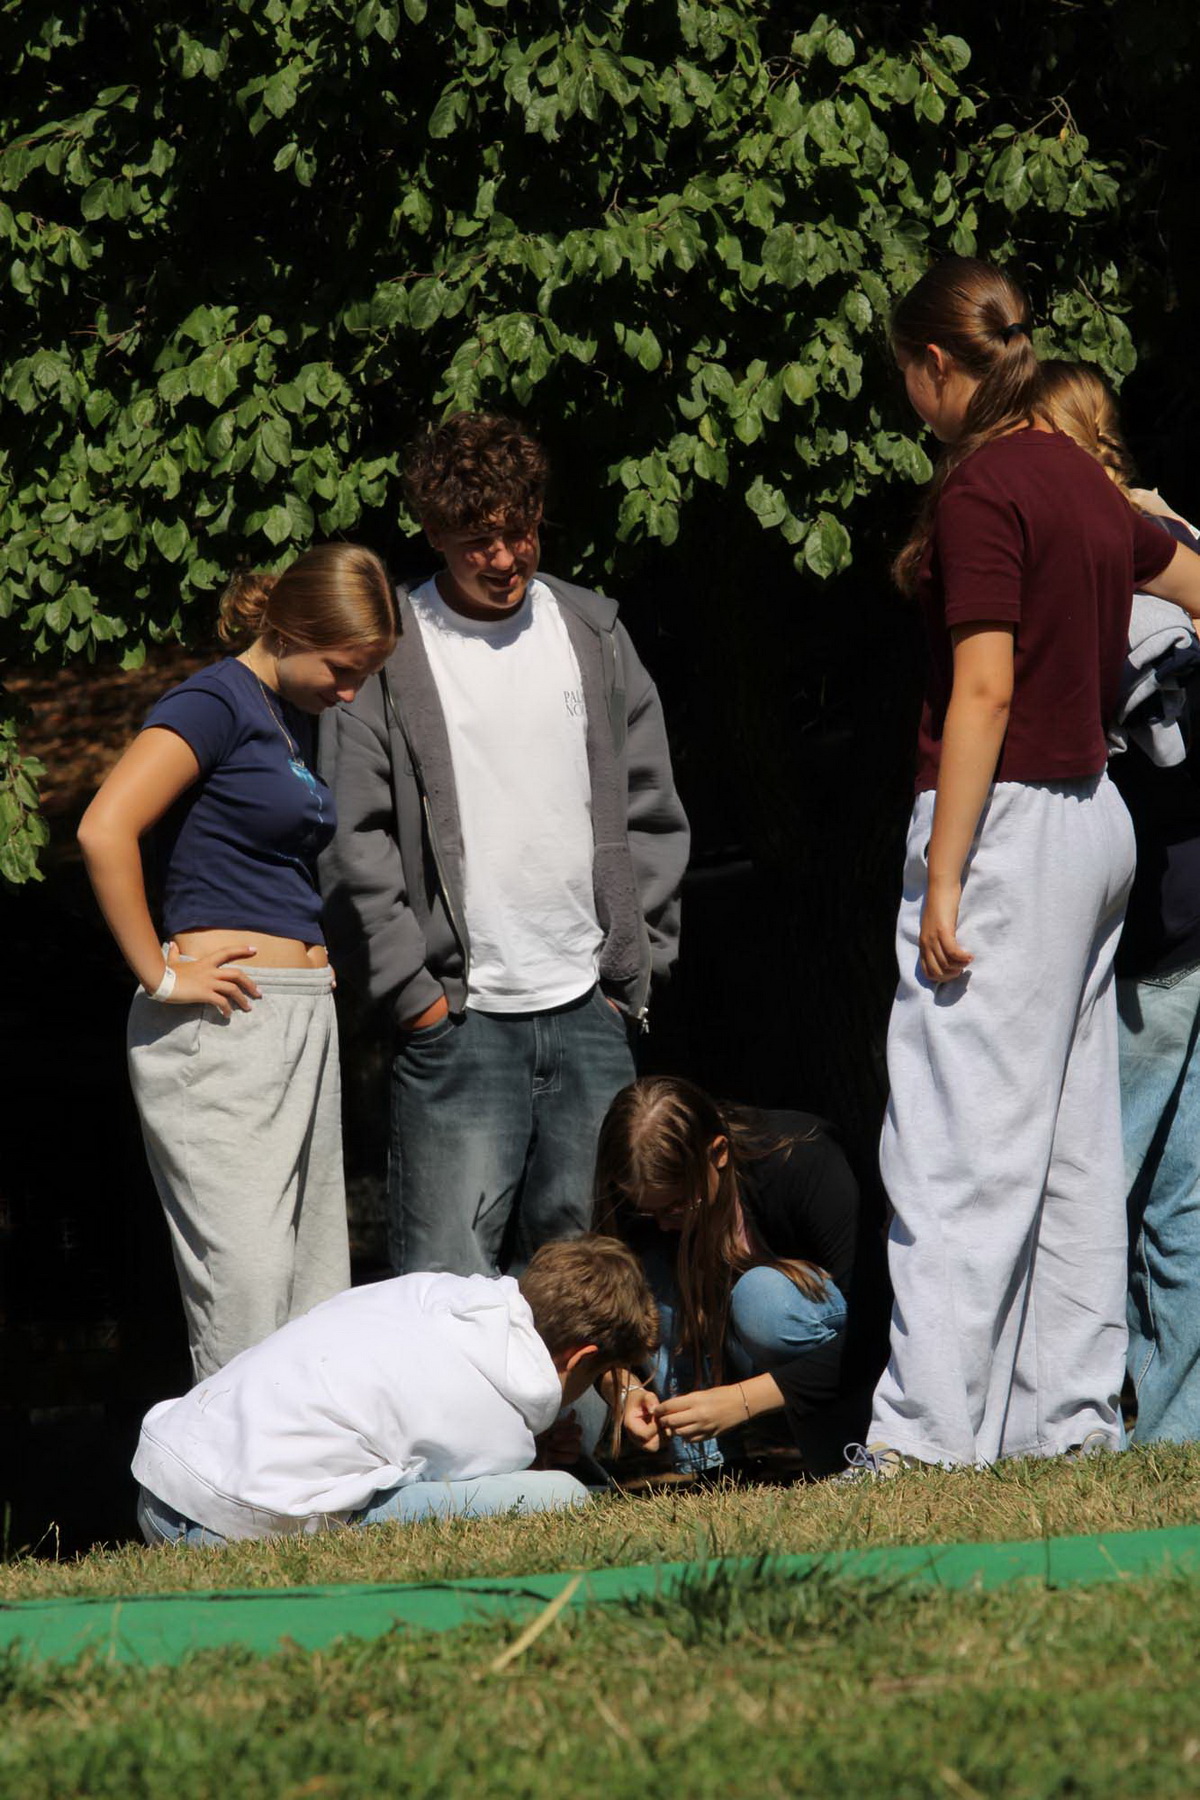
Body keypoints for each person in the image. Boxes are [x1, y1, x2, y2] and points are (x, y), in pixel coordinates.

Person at [855, 257, 1200, 1476]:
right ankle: (1067, 1425)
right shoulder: (1075, 472)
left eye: (906, 375)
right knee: (1070, 1146)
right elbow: (1192, 577)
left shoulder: (985, 484)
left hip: (1006, 821)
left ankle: (925, 1445)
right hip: (1097, 818)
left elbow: (984, 689)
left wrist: (945, 876)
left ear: (933, 365)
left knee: (956, 1137)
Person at [320, 412, 690, 1278]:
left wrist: (635, 967)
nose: (504, 557)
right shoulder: (390, 654)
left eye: (519, 531)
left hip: (592, 1011)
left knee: (585, 1287)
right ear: (433, 533)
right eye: (477, 541)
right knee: (446, 1292)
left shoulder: (594, 637)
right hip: (459, 1019)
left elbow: (652, 807)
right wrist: (412, 995)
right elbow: (351, 839)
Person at [78, 544, 397, 1381]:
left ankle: (303, 1466)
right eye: (341, 669)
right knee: (245, 1291)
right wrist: (159, 973)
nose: (350, 691)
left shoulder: (290, 713)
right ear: (290, 632)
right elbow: (104, 829)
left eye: (363, 674)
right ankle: (224, 1465)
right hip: (222, 1024)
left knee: (312, 1287)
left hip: (294, 1016)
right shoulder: (213, 701)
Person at [1038, 361, 1200, 1445]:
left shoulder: (1101, 554)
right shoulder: (1176, 539)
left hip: (1144, 931)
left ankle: (1075, 1416)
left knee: (1102, 1185)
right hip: (1187, 915)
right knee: (1184, 1200)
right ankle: (1178, 1431)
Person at [133, 1235, 659, 1545]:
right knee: (561, 1495)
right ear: (580, 1359)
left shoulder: (435, 1292)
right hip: (220, 1520)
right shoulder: (498, 1422)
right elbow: (448, 1486)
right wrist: (530, 1463)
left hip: (168, 1471)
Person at [592, 1076, 859, 1477]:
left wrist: (742, 1401)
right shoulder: (644, 1208)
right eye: (646, 1211)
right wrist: (625, 1390)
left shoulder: (802, 1160)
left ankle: (848, 1449)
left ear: (718, 1152)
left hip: (833, 1349)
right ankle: (717, 1469)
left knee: (762, 1298)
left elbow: (873, 1336)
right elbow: (591, 1327)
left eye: (679, 1206)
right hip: (738, 1350)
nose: (661, 1224)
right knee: (645, 1278)